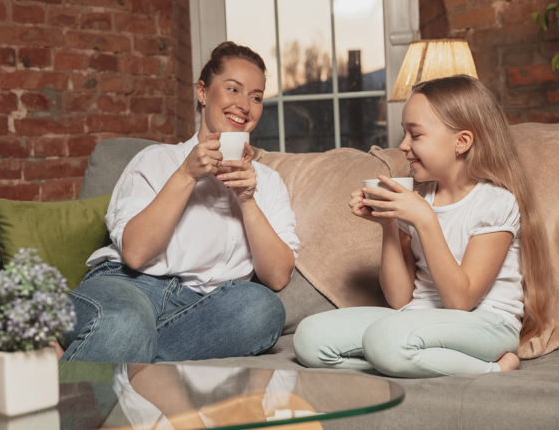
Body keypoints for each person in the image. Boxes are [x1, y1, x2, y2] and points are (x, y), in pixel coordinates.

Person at [293, 75, 553, 378]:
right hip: (417, 318)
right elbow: (399, 299)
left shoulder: (494, 202)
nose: (403, 145)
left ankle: (493, 368)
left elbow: (461, 301)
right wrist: (389, 225)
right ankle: (404, 358)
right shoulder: (419, 199)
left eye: (415, 135)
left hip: (487, 324)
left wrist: (425, 219)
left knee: (387, 339)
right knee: (310, 337)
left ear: (462, 142)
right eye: (405, 134)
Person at [59, 42, 299, 363]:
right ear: (203, 92)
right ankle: (129, 347)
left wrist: (247, 200)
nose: (244, 105)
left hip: (202, 311)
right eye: (233, 89)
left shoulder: (266, 183)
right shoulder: (157, 160)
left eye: (256, 97)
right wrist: (186, 174)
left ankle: (123, 350)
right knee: (127, 321)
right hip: (129, 287)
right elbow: (135, 253)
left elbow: (278, 276)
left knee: (263, 308)